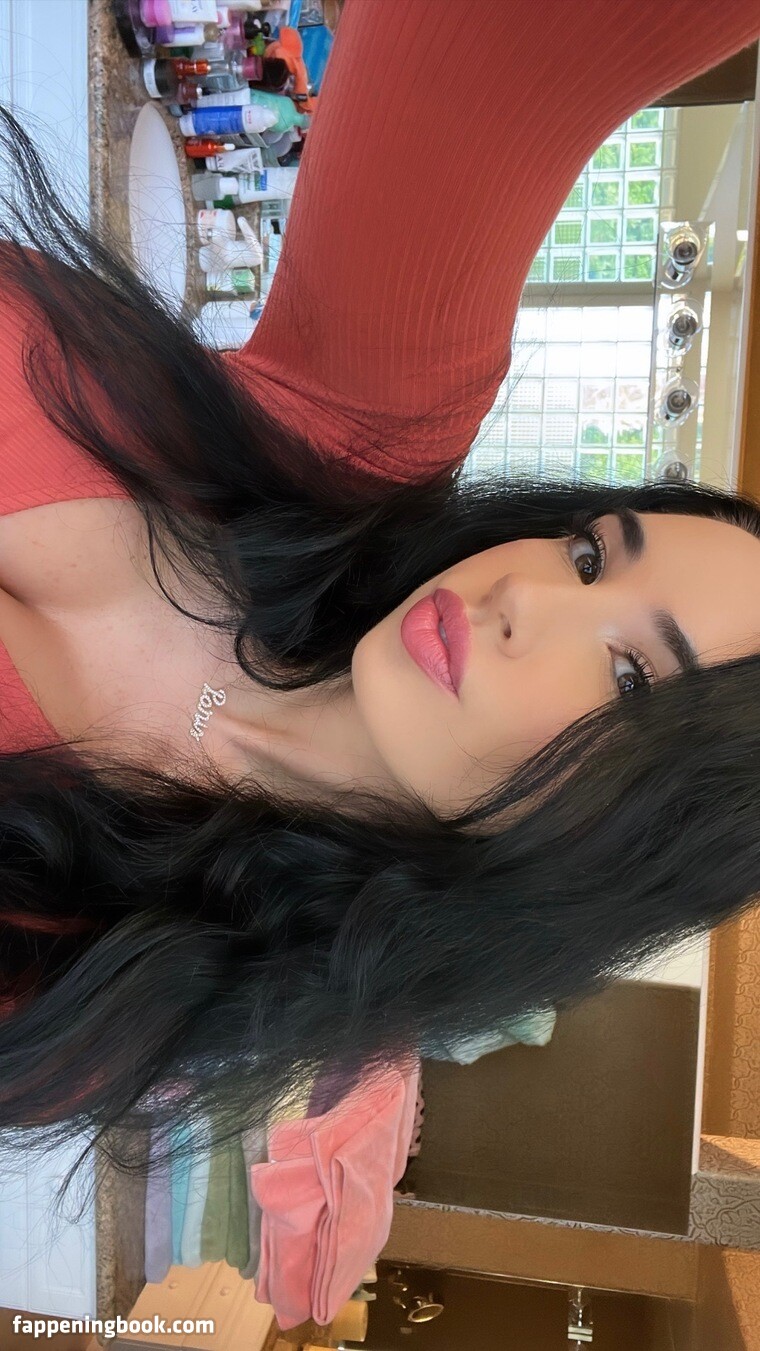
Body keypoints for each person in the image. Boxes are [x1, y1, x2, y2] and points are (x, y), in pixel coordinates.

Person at [0, 0, 759, 1203]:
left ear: (612, 851)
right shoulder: (355, 448)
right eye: (585, 556)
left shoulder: (98, 985)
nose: (521, 597)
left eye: (628, 679)